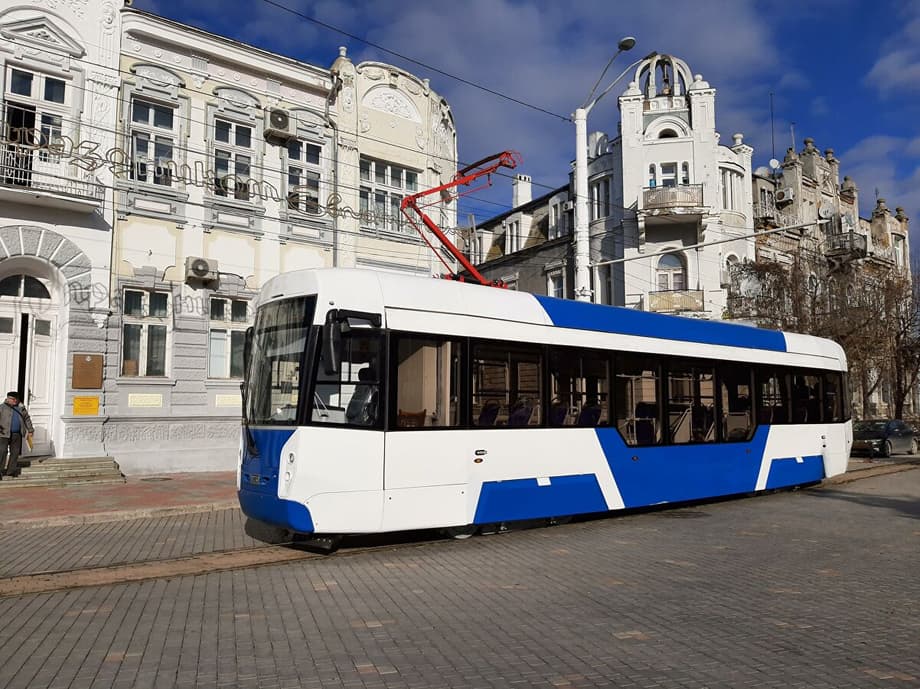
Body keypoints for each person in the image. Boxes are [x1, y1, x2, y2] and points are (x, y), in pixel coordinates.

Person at [0, 391, 34, 479]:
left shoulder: (21, 408)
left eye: (16, 399)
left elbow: (27, 419)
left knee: (15, 453)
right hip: (3, 434)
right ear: (7, 399)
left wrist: (30, 430)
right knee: (2, 452)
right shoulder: (2, 407)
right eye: (12, 399)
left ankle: (10, 471)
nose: (14, 401)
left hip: (17, 434)